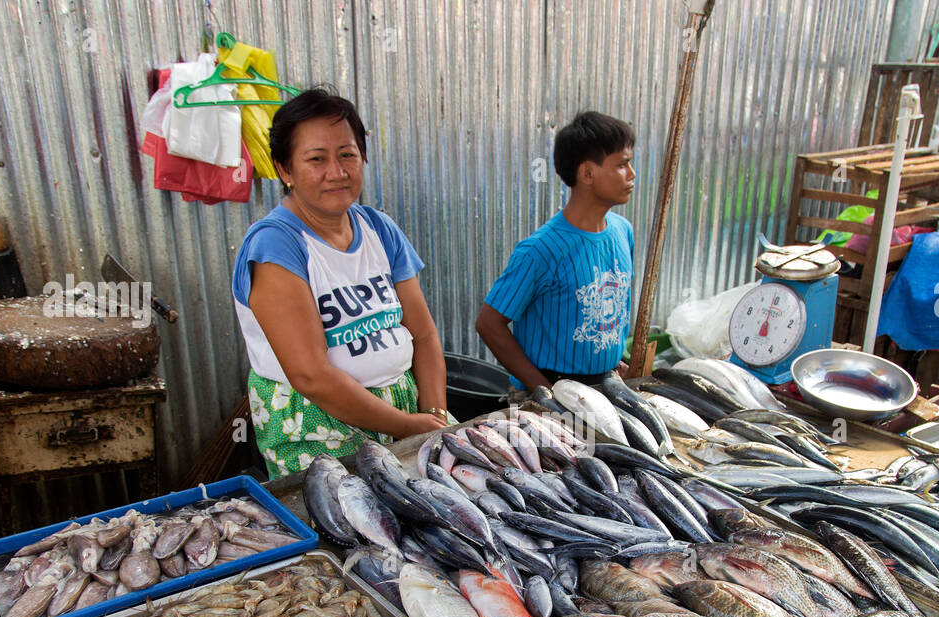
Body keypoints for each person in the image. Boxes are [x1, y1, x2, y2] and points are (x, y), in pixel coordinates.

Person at [232, 88, 448, 476]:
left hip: (404, 410)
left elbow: (425, 335)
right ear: (285, 170)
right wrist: (408, 428)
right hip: (315, 429)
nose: (337, 171)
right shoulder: (276, 244)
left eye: (347, 154)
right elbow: (310, 375)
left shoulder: (380, 229)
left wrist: (432, 416)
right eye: (316, 159)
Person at [476, 111, 636, 390]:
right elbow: (489, 324)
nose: (632, 174)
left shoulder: (622, 232)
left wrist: (614, 358)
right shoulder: (540, 251)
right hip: (551, 396)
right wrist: (543, 391)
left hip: (606, 387)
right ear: (587, 173)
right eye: (622, 164)